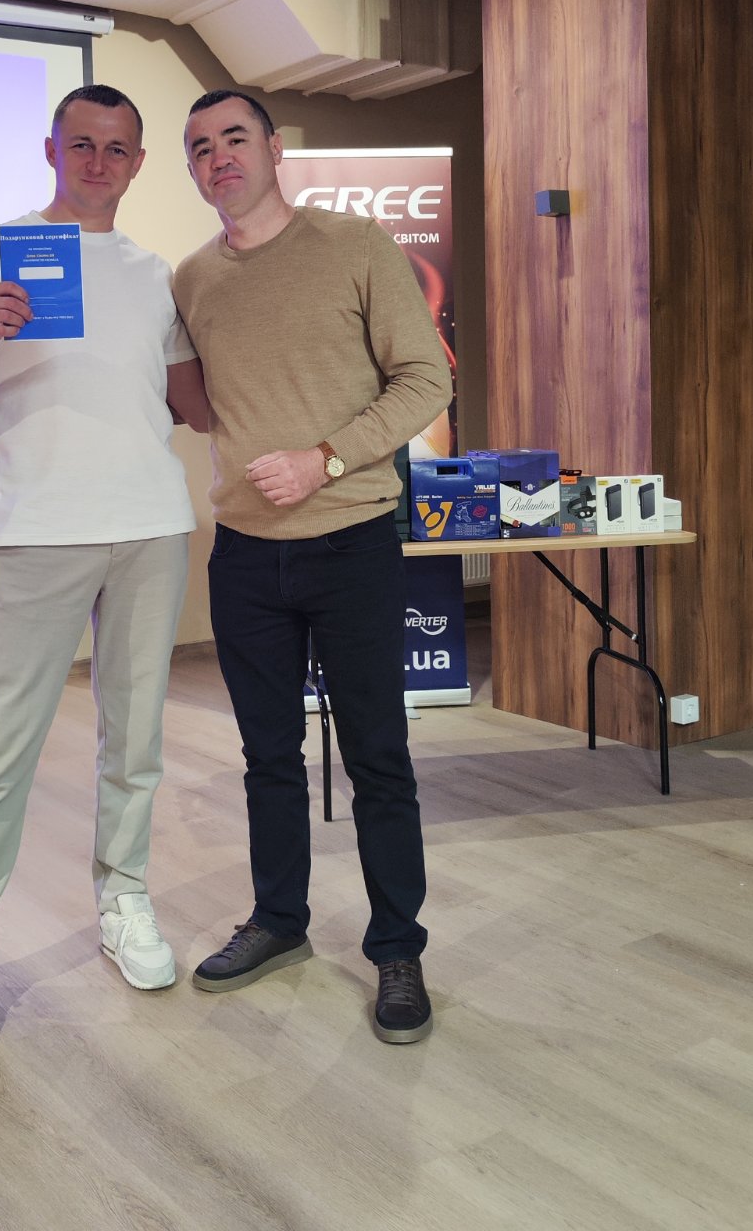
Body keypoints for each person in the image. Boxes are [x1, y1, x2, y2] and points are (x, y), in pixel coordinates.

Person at [0, 83, 208, 1051]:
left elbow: (195, 402)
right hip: (39, 530)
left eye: (117, 148)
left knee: (136, 739)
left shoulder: (155, 274)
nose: (98, 163)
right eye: (82, 144)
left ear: (139, 163)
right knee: (6, 743)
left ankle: (124, 898)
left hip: (152, 527)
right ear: (51, 150)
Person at [172, 89, 452, 1044]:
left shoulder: (355, 245)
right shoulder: (192, 279)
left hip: (350, 542)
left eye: (234, 137)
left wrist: (324, 461)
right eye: (200, 147)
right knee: (267, 759)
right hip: (246, 555)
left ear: (274, 148)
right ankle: (279, 921)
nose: (219, 157)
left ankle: (398, 949)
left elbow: (427, 376)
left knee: (377, 760)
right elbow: (197, 402)